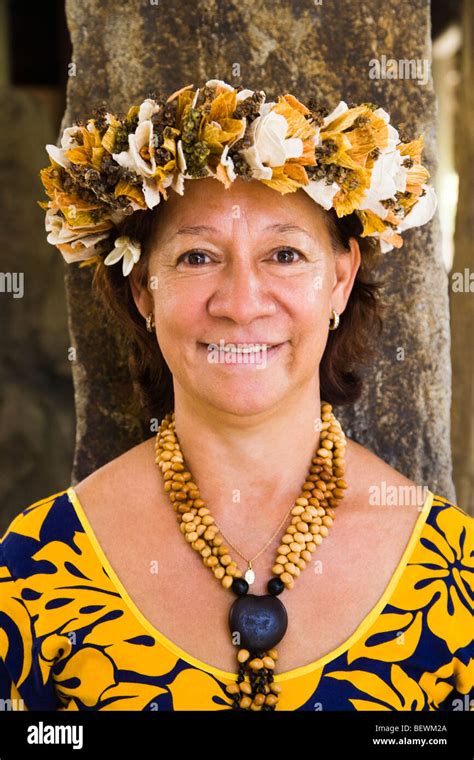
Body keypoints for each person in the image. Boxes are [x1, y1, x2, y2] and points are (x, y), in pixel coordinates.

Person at [0, 80, 472, 712]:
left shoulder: (454, 572)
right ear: (144, 290)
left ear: (339, 279)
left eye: (284, 254)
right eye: (197, 257)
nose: (242, 303)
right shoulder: (35, 568)